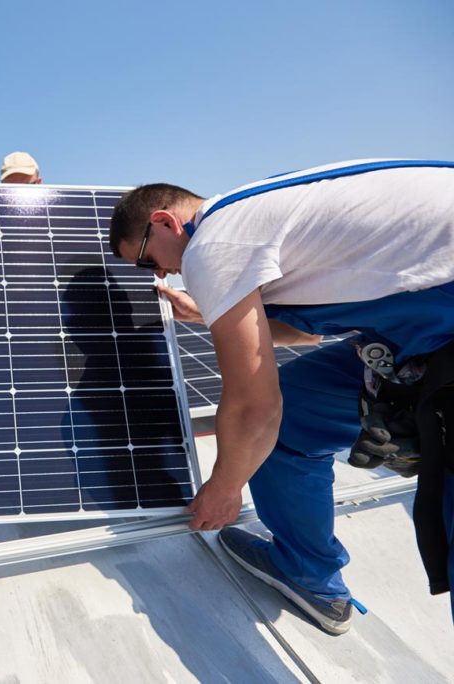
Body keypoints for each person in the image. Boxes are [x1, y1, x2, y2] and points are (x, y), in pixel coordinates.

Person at [108, 159, 454, 635]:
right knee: (295, 413)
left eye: (148, 259)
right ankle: (308, 573)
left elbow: (254, 405)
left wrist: (225, 490)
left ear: (164, 222)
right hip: (420, 331)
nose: (163, 271)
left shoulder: (213, 244)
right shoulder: (254, 213)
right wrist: (212, 314)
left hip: (440, 334)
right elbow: (307, 335)